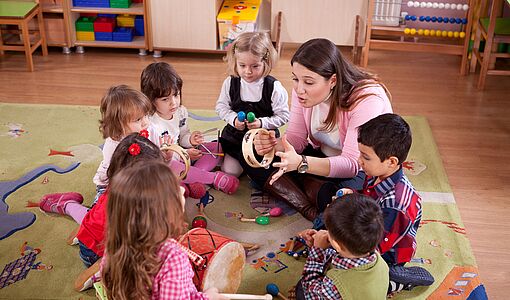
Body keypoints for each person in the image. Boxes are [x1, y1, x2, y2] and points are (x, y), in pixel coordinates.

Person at [251, 38, 393, 221]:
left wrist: (301, 163)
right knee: (257, 160)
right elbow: (296, 138)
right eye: (295, 79)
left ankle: (310, 193)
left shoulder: (367, 100)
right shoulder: (301, 91)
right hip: (320, 157)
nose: (299, 89)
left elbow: (351, 164)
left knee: (348, 206)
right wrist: (273, 145)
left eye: (309, 82)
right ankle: (310, 205)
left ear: (333, 80)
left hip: (360, 169)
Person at [29, 133, 166, 290]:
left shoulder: (122, 186)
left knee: (93, 217)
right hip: (97, 252)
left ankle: (69, 208)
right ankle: (97, 268)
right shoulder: (126, 211)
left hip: (95, 227)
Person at [102, 160, 224, 300]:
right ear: (162, 212)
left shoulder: (113, 245)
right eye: (175, 189)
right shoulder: (173, 257)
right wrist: (207, 298)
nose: (183, 189)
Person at [356, 113, 434, 293]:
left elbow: (376, 248)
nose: (360, 161)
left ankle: (397, 279)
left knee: (358, 282)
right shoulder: (376, 174)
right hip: (374, 228)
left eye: (366, 157)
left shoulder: (396, 205)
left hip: (388, 253)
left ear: (391, 162)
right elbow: (367, 199)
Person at [141, 62, 239, 196]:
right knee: (171, 166)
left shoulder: (180, 112)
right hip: (167, 162)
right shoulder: (150, 123)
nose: (173, 102)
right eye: (165, 99)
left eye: (176, 95)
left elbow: (183, 135)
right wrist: (185, 153)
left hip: (183, 157)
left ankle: (192, 179)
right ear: (151, 100)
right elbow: (159, 156)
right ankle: (211, 178)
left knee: (217, 147)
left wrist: (191, 140)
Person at [215, 31, 289, 178]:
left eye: (255, 66)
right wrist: (233, 119)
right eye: (242, 65)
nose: (248, 71)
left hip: (263, 141)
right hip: (236, 139)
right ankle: (220, 154)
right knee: (231, 172)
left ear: (266, 62)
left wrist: (262, 123)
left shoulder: (274, 87)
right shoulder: (231, 82)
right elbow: (221, 107)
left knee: (263, 172)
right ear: (235, 62)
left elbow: (284, 116)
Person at [293, 193, 388, 300]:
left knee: (301, 288)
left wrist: (317, 251)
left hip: (335, 291)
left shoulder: (335, 285)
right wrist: (320, 248)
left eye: (329, 232)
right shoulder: (377, 257)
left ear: (337, 245)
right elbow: (343, 257)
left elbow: (309, 289)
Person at [93, 84, 151, 203]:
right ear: (119, 124)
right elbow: (115, 175)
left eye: (146, 115)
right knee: (103, 215)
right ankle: (67, 204)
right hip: (111, 183)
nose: (146, 122)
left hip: (134, 177)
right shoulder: (113, 146)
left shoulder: (142, 131)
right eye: (138, 119)